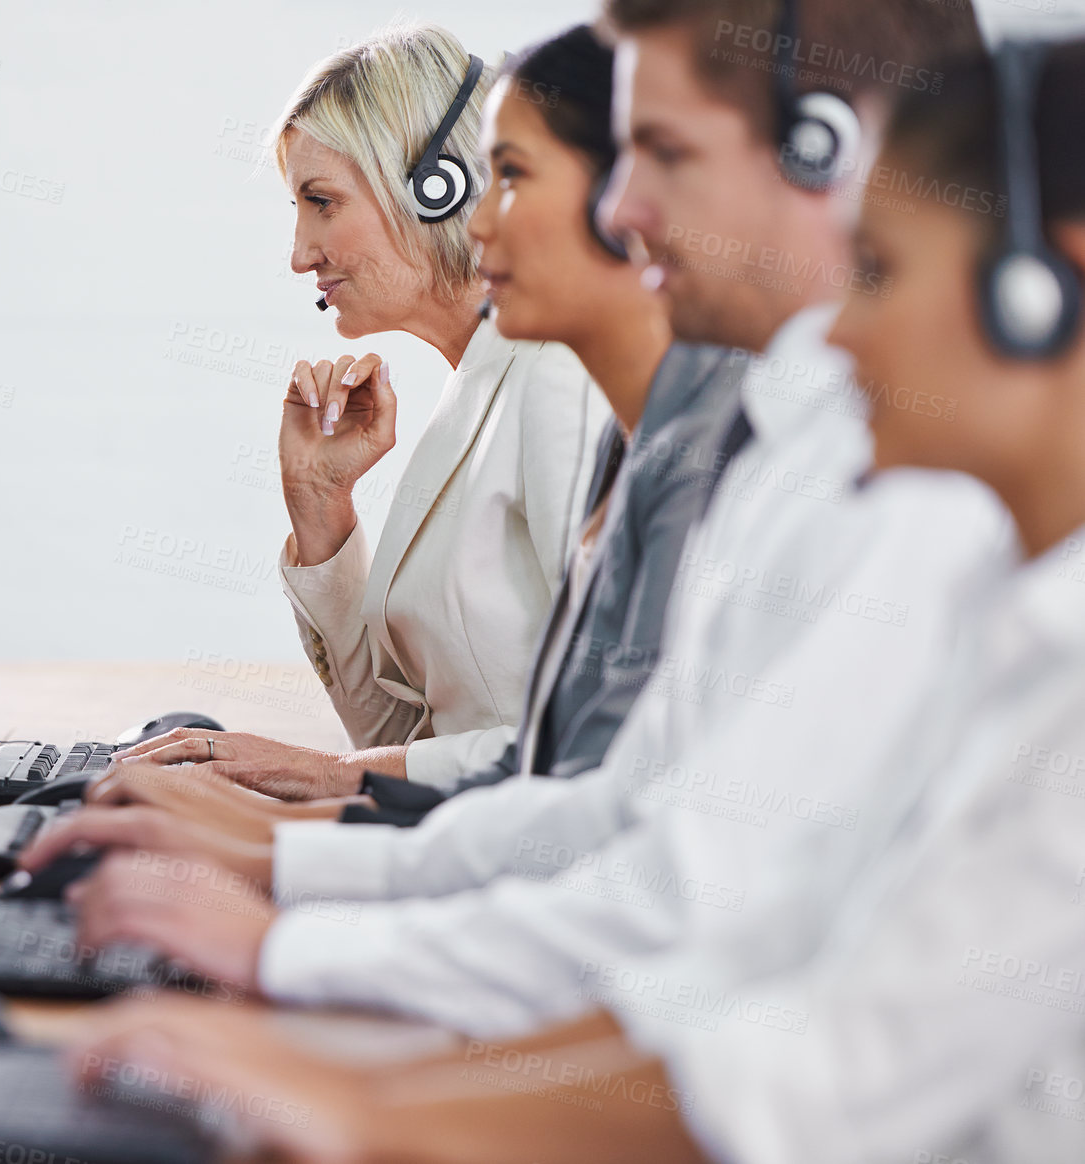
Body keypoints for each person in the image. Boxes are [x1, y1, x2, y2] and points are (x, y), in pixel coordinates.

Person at [60, 32, 1085, 1164]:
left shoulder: (892, 523)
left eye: (880, 267)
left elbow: (789, 1027)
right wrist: (293, 879)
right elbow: (625, 828)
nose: (626, 209)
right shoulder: (851, 499)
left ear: (1042, 292)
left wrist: (323, 1001)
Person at [94, 28, 748, 838]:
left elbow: (595, 752)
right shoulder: (479, 385)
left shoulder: (563, 379)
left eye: (322, 201)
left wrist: (307, 788)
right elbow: (405, 749)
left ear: (435, 186)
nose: (300, 254)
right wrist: (322, 506)